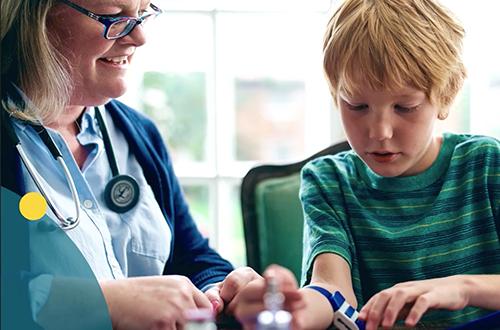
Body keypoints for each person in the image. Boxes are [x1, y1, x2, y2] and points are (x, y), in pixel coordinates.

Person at [232, 0, 500, 329]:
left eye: (405, 106)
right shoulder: (327, 181)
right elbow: (331, 290)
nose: (379, 132)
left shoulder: (487, 165)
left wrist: (464, 287)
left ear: (444, 97)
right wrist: (296, 309)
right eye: (357, 105)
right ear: (335, 96)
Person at [0, 0, 260, 329]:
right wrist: (101, 303)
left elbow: (190, 255)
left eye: (142, 13)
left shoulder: (139, 134)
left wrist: (221, 289)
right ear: (32, 18)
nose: (138, 37)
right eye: (112, 16)